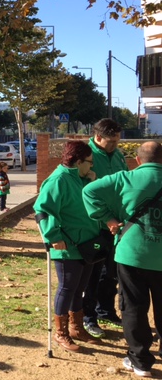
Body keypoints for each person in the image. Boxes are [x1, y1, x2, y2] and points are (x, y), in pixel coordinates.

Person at [83, 141, 162, 377]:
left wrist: (108, 219)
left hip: (132, 254)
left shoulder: (125, 178)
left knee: (134, 307)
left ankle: (140, 360)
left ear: (137, 160)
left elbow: (89, 191)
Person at [34, 140, 101, 352]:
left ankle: (76, 327)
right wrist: (53, 235)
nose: (91, 166)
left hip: (86, 243)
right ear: (78, 161)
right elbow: (43, 210)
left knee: (79, 288)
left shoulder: (81, 178)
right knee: (67, 287)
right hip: (66, 244)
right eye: (89, 162)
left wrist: (91, 180)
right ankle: (61, 333)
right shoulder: (58, 180)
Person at [83, 118, 129, 339]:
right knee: (91, 275)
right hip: (94, 224)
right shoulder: (85, 155)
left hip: (116, 225)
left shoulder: (118, 155)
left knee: (111, 272)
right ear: (97, 137)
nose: (115, 145)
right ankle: (88, 317)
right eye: (111, 141)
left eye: (118, 141)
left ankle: (106, 311)